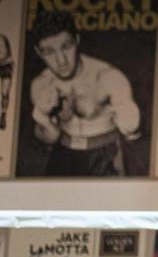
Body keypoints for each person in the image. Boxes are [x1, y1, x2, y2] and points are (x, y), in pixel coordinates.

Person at [28, 10, 141, 176]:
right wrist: (41, 116)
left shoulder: (107, 77)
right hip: (64, 151)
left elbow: (133, 134)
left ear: (77, 40)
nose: (61, 61)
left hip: (105, 153)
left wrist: (129, 120)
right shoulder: (41, 84)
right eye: (49, 52)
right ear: (38, 52)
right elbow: (49, 139)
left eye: (66, 47)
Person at [0, 33, 13, 130]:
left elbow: (4, 54)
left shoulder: (2, 39)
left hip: (5, 64)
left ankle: (3, 114)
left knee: (5, 92)